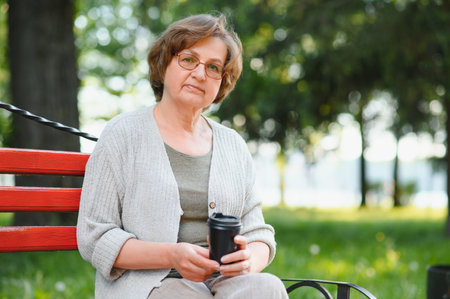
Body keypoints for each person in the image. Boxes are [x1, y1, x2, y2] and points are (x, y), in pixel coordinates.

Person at [76, 13, 289, 299]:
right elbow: (95, 236)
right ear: (165, 63)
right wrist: (172, 255)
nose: (200, 74)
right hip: (147, 284)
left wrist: (251, 259)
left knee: (267, 288)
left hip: (224, 282)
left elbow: (258, 233)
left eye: (213, 67)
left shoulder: (233, 145)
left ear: (221, 82)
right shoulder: (121, 134)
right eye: (189, 60)